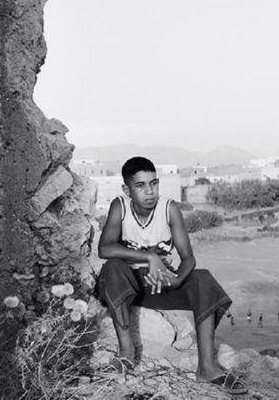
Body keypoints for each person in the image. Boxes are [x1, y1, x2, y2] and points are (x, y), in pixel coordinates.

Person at [97, 157, 246, 395]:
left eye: (153, 183)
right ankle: (126, 354)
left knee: (203, 278)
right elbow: (104, 248)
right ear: (127, 190)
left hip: (160, 284)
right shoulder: (120, 206)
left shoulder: (169, 209)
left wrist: (177, 279)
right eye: (140, 185)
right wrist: (149, 256)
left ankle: (207, 367)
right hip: (125, 286)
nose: (149, 191)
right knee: (113, 267)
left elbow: (188, 259)